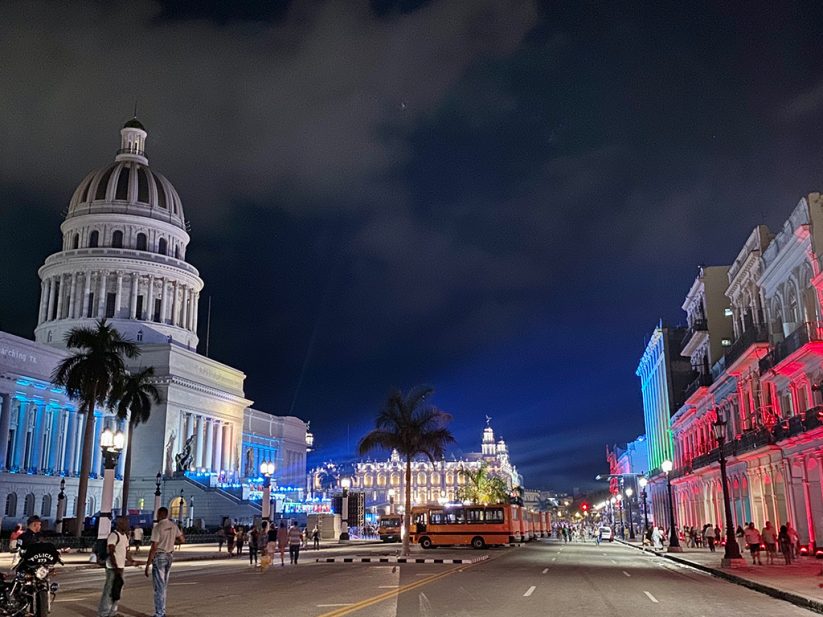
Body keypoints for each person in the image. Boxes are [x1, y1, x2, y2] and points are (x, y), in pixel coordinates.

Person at [145, 506, 185, 617]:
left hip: (160, 556)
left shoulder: (158, 527)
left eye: (158, 514)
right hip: (169, 556)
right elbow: (182, 540)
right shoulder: (173, 525)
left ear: (160, 514)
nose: (157, 516)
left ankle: (159, 613)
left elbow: (154, 546)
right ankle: (161, 611)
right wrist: (171, 541)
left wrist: (148, 563)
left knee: (159, 587)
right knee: (164, 585)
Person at [98, 516, 129, 617]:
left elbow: (126, 551)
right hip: (113, 568)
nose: (127, 525)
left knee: (117, 591)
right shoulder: (114, 535)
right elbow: (111, 552)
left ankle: (113, 612)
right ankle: (104, 613)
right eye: (125, 523)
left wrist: (133, 560)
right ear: (119, 524)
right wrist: (115, 567)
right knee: (109, 591)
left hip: (120, 568)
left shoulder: (125, 536)